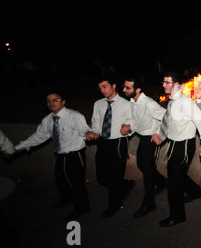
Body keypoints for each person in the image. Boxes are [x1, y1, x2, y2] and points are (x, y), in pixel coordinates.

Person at [14, 93, 91, 221]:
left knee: (76, 183)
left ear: (63, 102)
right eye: (48, 101)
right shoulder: (48, 120)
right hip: (60, 154)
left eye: (55, 100)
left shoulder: (74, 115)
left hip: (74, 155)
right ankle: (67, 199)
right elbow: (39, 136)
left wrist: (88, 133)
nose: (52, 103)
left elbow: (83, 129)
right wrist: (18, 148)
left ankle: (82, 207)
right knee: (60, 180)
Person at [156, 71, 201, 227]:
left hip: (184, 145)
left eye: (167, 82)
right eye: (163, 82)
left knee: (174, 182)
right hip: (173, 143)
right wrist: (161, 136)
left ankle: (177, 216)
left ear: (176, 84)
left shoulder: (186, 103)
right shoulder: (172, 101)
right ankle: (196, 192)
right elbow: (171, 122)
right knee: (177, 174)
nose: (164, 85)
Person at [86, 75, 135, 218]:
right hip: (103, 142)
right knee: (101, 177)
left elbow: (133, 121)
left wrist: (128, 127)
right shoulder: (98, 104)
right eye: (100, 88)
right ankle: (125, 185)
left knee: (114, 176)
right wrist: (93, 132)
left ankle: (115, 205)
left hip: (118, 142)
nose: (102, 90)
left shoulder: (126, 104)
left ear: (114, 86)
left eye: (105, 86)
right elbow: (95, 123)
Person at [122, 75, 168, 218]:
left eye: (127, 87)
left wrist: (158, 133)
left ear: (138, 89)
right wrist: (129, 127)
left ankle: (149, 204)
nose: (123, 89)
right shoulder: (132, 102)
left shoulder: (149, 103)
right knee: (142, 165)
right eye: (124, 86)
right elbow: (136, 121)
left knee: (147, 173)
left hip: (150, 139)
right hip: (142, 138)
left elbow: (167, 117)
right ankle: (162, 182)